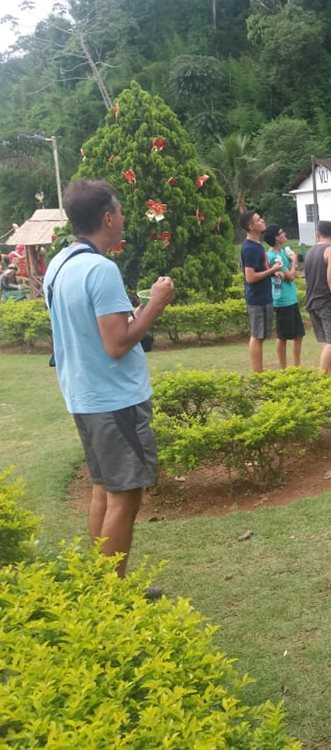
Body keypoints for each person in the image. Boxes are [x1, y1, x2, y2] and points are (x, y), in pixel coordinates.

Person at [43, 179, 174, 579]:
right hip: (114, 400)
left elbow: (95, 330)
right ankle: (110, 597)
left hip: (85, 397)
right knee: (126, 498)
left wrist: (135, 311)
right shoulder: (100, 269)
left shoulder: (59, 264)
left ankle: (98, 588)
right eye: (119, 211)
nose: (122, 217)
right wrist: (156, 304)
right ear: (107, 217)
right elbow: (117, 345)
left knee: (103, 489)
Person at [240, 210, 283, 372]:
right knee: (257, 336)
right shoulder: (250, 248)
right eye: (258, 220)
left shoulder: (257, 245)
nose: (262, 221)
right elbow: (250, 277)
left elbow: (261, 270)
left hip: (264, 295)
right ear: (251, 226)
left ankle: (259, 372)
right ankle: (258, 374)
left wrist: (273, 273)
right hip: (257, 298)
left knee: (261, 336)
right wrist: (272, 270)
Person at [304, 221, 331, 377]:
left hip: (311, 302)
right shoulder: (330, 251)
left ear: (318, 234)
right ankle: (321, 379)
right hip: (326, 303)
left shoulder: (310, 251)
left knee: (328, 341)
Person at [262, 224, 305, 368]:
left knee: (299, 334)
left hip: (291, 298)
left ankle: (296, 366)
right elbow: (290, 276)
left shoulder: (281, 253)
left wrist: (292, 262)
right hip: (282, 300)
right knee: (283, 336)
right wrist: (294, 261)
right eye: (281, 232)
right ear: (276, 237)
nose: (285, 233)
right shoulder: (273, 256)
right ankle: (283, 368)